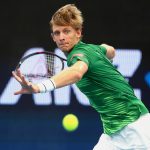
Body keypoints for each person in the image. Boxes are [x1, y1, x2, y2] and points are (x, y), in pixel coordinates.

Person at [12, 4, 150, 150]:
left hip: (136, 126)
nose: (62, 37)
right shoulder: (92, 49)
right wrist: (102, 54)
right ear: (52, 37)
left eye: (66, 31)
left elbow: (77, 72)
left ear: (78, 33)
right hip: (112, 133)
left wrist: (39, 87)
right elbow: (111, 50)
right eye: (57, 33)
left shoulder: (78, 56)